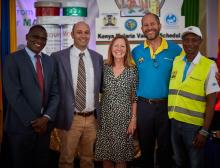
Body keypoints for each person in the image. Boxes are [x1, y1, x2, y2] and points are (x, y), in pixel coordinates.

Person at [3, 25, 59, 168]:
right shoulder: (12, 60)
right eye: (35, 36)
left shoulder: (50, 61)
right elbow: (13, 94)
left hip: (44, 128)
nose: (39, 40)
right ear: (27, 37)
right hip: (20, 128)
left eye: (43, 38)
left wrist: (46, 118)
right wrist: (35, 122)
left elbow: (55, 93)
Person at [131, 13, 182, 167]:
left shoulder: (175, 50)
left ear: (159, 25)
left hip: (167, 105)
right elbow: (128, 76)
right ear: (142, 29)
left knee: (165, 148)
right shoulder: (136, 51)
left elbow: (188, 70)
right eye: (146, 25)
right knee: (145, 147)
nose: (149, 27)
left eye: (152, 23)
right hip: (143, 106)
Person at [51, 21, 103, 168]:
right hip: (70, 118)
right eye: (79, 32)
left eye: (86, 32)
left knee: (88, 160)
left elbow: (101, 87)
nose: (83, 35)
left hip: (92, 118)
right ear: (72, 34)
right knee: (66, 160)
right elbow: (53, 89)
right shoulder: (58, 57)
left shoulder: (97, 58)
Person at [168, 26, 220, 168]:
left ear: (200, 41)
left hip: (194, 126)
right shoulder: (177, 62)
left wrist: (204, 130)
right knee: (178, 161)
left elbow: (211, 101)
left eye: (194, 40)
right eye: (186, 40)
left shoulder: (209, 65)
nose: (190, 43)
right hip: (174, 122)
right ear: (182, 42)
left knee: (195, 163)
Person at [95, 35, 137, 168]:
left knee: (120, 159)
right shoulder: (104, 67)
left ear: (127, 49)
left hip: (124, 120)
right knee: (106, 157)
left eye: (122, 46)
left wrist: (133, 119)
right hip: (105, 119)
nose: (119, 49)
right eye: (116, 45)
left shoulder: (133, 70)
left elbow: (134, 97)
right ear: (111, 48)